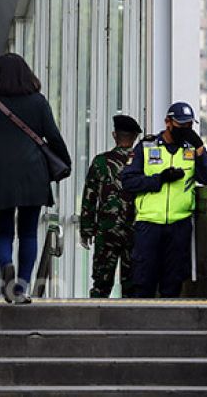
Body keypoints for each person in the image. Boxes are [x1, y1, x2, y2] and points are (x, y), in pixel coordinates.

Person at [0, 53, 70, 304]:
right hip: (33, 173)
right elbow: (53, 135)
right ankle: (22, 288)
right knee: (28, 232)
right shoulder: (38, 102)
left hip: (0, 174)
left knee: (3, 231)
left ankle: (6, 264)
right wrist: (65, 162)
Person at [121, 102, 207, 298]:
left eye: (189, 125)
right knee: (144, 282)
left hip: (179, 225)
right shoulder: (147, 146)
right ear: (168, 122)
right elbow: (128, 181)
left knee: (172, 283)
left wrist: (200, 149)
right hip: (149, 225)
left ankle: (168, 327)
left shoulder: (190, 150)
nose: (185, 130)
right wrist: (159, 179)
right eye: (181, 125)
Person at [79, 114, 142, 298]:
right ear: (135, 137)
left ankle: (96, 321)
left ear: (114, 135)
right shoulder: (143, 162)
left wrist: (86, 229)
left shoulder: (101, 162)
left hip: (106, 230)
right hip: (135, 229)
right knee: (132, 284)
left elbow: (89, 198)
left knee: (101, 284)